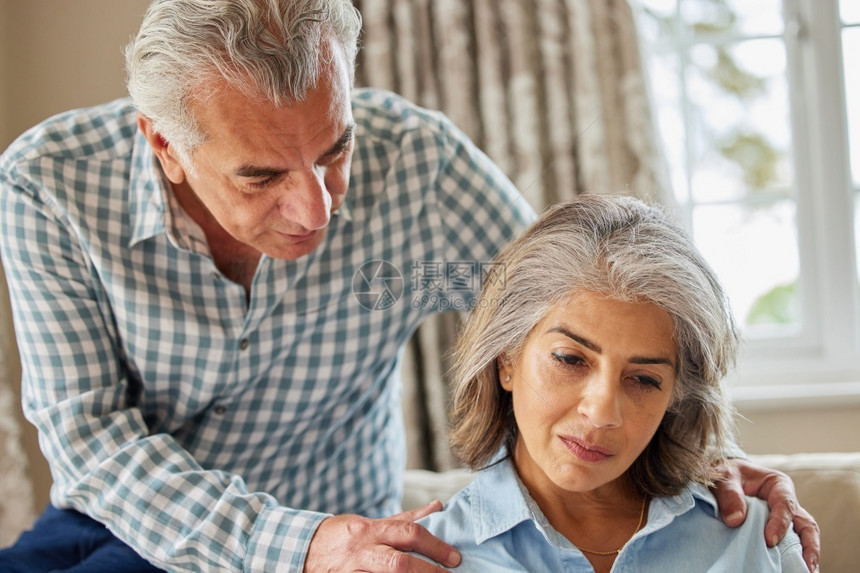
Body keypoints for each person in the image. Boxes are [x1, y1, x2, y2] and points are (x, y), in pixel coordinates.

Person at [0, 0, 818, 571]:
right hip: (134, 532)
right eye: (261, 176)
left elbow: (583, 310)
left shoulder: (418, 164)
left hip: (364, 544)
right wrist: (304, 548)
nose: (316, 208)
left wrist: (707, 454)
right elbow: (91, 440)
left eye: (334, 150)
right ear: (164, 145)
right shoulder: (50, 184)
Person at [417, 194, 807, 572]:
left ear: (675, 396)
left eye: (642, 380)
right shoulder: (421, 557)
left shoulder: (755, 537)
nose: (603, 413)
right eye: (570, 360)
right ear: (506, 358)